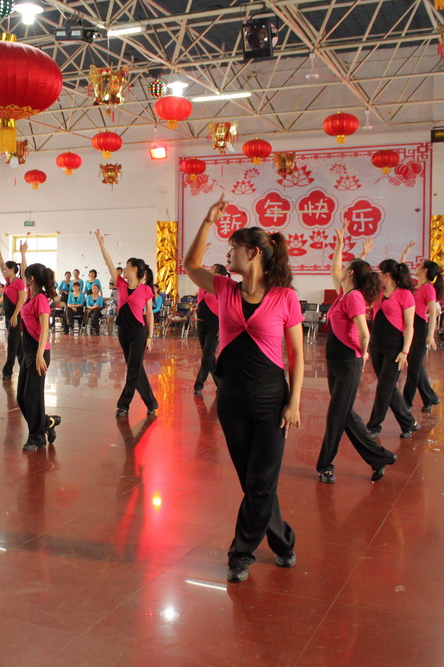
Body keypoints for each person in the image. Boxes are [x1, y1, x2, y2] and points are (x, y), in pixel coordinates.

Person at [184, 197, 304, 584]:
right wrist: (207, 221)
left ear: (252, 253)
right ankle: (283, 542)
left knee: (260, 482)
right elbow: (190, 266)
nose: (228, 254)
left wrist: (294, 402)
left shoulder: (285, 297)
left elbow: (297, 355)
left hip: (271, 400)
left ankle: (241, 553)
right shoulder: (224, 288)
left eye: (233, 247)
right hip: (231, 399)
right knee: (254, 482)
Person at [316, 223, 396, 484]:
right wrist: (340, 245)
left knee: (336, 416)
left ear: (350, 273)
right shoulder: (344, 294)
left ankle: (325, 466)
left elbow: (364, 333)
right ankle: (379, 457)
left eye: (345, 268)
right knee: (346, 415)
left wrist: (362, 357)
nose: (340, 271)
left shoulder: (354, 298)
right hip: (335, 362)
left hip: (348, 363)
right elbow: (334, 270)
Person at [95, 230, 159, 418]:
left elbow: (150, 315)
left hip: (139, 332)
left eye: (127, 265)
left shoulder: (146, 289)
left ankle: (123, 405)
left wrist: (150, 337)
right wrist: (102, 245)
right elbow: (108, 263)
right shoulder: (121, 284)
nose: (124, 267)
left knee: (132, 369)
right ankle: (151, 403)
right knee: (135, 369)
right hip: (123, 331)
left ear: (134, 269)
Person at [366, 260, 420, 439]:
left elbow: (410, 326)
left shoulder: (405, 294)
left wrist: (405, 352)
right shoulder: (379, 292)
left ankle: (373, 426)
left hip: (394, 346)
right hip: (376, 344)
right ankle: (409, 422)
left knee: (384, 387)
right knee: (388, 386)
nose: (378, 275)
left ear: (386, 275)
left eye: (380, 272)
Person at [18, 256, 61, 451]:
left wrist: (39, 355)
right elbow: (26, 271)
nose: (24, 279)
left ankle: (36, 438)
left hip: (39, 352)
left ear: (31, 279)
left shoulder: (41, 300)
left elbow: (45, 329)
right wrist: (23, 254)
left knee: (31, 397)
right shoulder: (31, 296)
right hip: (28, 351)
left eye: (26, 277)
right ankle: (46, 423)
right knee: (21, 397)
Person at [402, 260, 443, 412]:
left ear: (424, 270)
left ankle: (406, 402)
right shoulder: (414, 285)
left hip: (420, 328)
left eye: (419, 266)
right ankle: (430, 397)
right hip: (410, 326)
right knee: (416, 365)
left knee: (414, 367)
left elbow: (433, 314)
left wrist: (431, 335)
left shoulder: (429, 288)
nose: (416, 267)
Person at [0, 249, 27, 379]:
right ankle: (25, 368)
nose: (4, 270)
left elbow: (21, 300)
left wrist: (15, 315)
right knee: (18, 345)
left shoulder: (19, 282)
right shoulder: (7, 281)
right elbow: (1, 265)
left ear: (12, 270)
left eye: (6, 269)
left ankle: (8, 371)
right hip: (8, 317)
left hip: (15, 317)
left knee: (12, 344)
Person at [194, 264, 229, 394]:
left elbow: (226, 308)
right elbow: (199, 301)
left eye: (212, 270)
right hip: (201, 323)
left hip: (215, 325)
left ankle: (199, 384)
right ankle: (220, 382)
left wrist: (222, 326)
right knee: (208, 357)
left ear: (218, 274)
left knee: (207, 356)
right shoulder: (203, 284)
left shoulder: (221, 288)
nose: (209, 271)